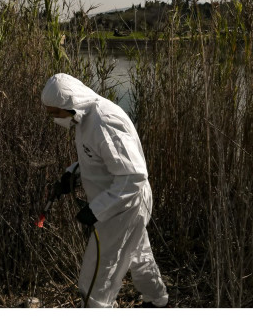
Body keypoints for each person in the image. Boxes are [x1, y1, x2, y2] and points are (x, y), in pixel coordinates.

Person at [41, 73, 169, 308]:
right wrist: (72, 174)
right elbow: (102, 160)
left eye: (55, 113)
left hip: (123, 206)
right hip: (118, 203)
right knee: (139, 255)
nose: (53, 118)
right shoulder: (83, 119)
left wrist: (95, 210)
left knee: (96, 276)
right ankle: (157, 302)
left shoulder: (104, 120)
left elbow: (133, 176)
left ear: (70, 104)